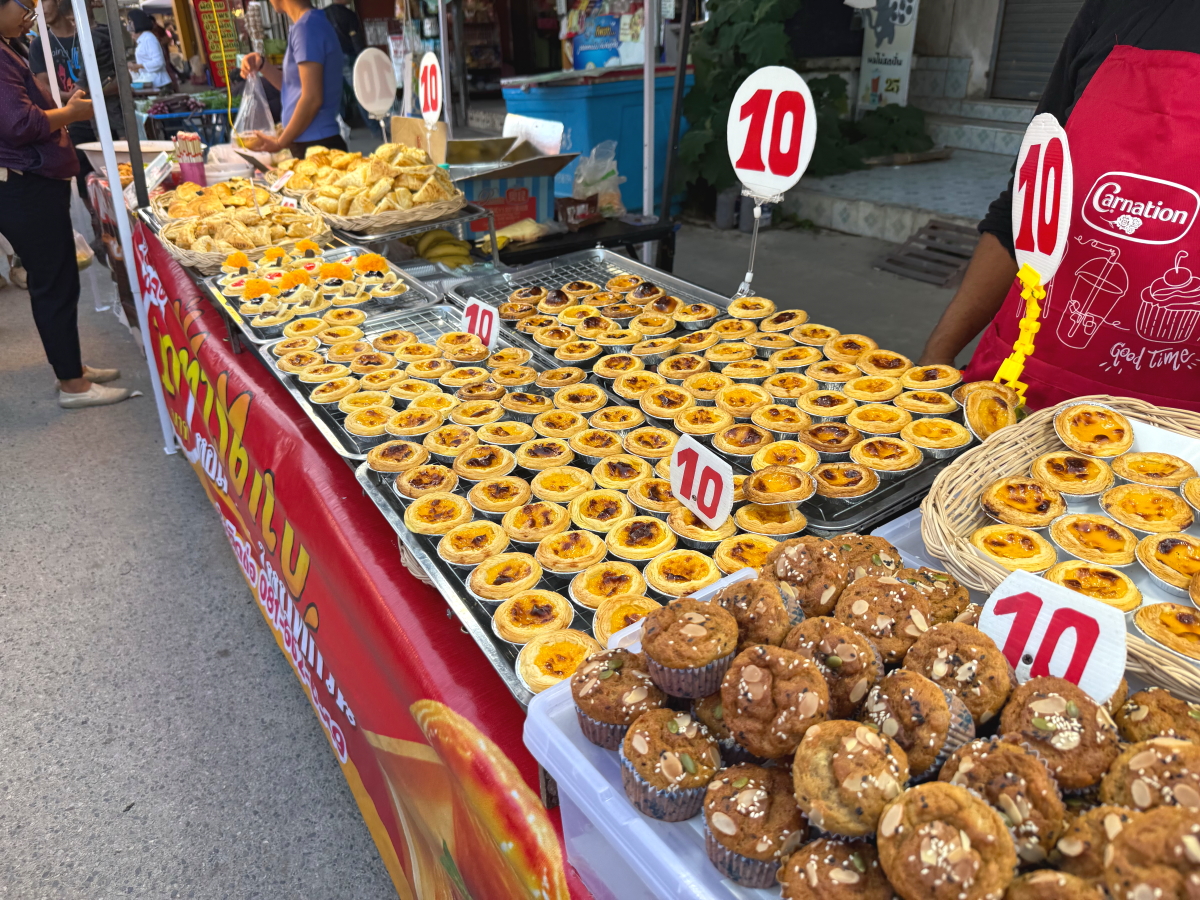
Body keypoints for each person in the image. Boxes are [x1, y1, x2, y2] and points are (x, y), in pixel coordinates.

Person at [919, 0, 1200, 413]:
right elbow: (1023, 205)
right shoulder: (1114, 9)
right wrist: (934, 362)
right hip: (1016, 394)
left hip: (1175, 431)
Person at [0, 0, 129, 408]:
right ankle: (73, 385)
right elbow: (19, 123)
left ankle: (71, 367)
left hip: (32, 181)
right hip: (25, 184)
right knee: (53, 281)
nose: (30, 13)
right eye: (24, 5)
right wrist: (69, 113)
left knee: (59, 277)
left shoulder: (9, 46)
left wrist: (62, 108)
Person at [29, 0, 122, 204]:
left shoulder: (93, 34)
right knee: (84, 178)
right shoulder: (39, 45)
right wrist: (75, 100)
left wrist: (88, 93)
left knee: (121, 170)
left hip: (108, 113)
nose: (39, 9)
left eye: (44, 1)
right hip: (74, 121)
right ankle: (96, 219)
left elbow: (120, 77)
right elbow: (44, 87)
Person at [239, 0, 344, 155]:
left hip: (316, 144)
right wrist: (262, 65)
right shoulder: (309, 24)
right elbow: (293, 88)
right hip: (309, 140)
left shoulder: (307, 28)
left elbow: (312, 98)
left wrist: (280, 142)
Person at [323, 0, 367, 127]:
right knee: (360, 92)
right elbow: (356, 40)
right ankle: (374, 128)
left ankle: (339, 127)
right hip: (347, 56)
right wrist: (362, 58)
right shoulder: (349, 14)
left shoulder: (323, 14)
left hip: (329, 58)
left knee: (335, 95)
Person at [128, 9, 173, 90]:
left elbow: (159, 62)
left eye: (131, 22)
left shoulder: (149, 38)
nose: (129, 25)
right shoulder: (143, 39)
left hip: (160, 83)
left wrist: (138, 66)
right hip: (152, 82)